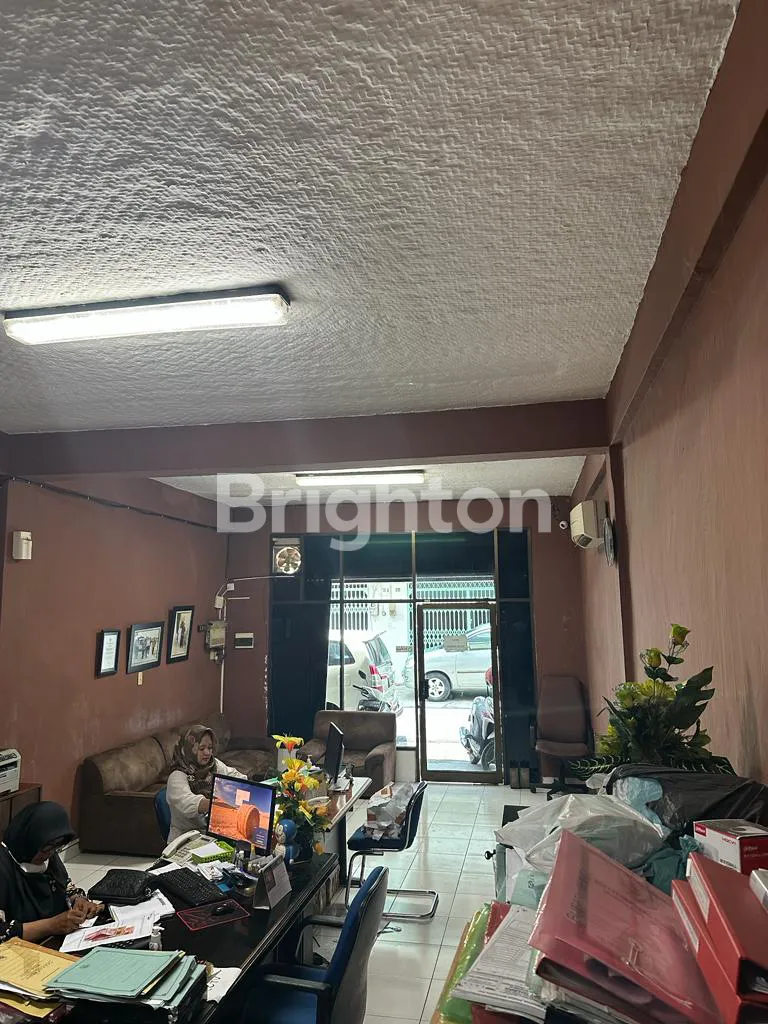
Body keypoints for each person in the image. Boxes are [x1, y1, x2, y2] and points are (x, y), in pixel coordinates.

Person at [0, 802, 102, 944]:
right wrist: (50, 926)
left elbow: (66, 888)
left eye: (56, 847)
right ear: (29, 840)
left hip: (58, 940)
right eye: (46, 848)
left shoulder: (48, 856)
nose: (49, 854)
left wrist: (79, 901)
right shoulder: (4, 866)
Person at [166, 725, 247, 843]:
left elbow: (236, 777)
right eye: (201, 748)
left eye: (210, 747)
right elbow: (189, 803)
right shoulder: (177, 776)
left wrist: (248, 788)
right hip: (185, 838)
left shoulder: (213, 765)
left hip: (211, 834)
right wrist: (219, 804)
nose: (207, 752)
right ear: (189, 749)